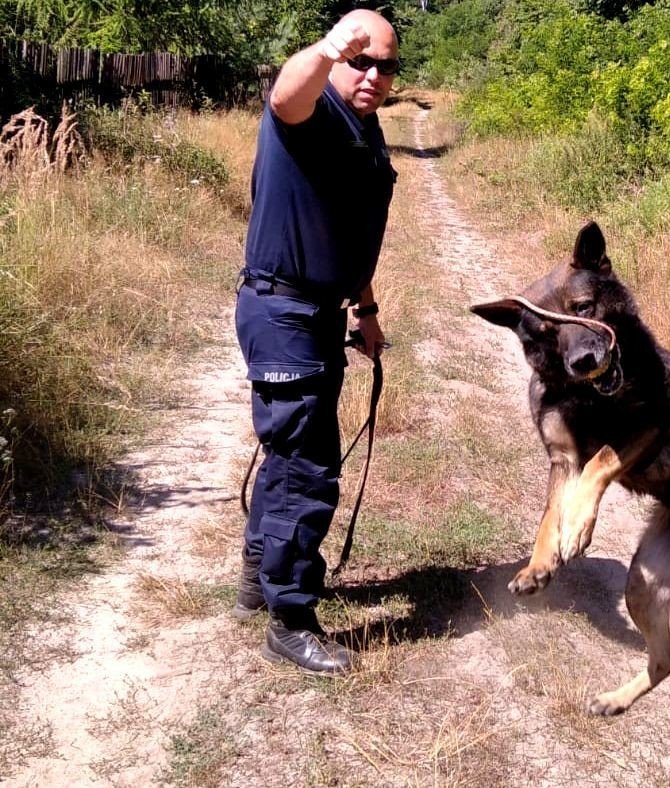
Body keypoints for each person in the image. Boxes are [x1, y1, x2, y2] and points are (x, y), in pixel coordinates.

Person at [231, 9, 399, 674]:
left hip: (321, 312)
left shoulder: (365, 126)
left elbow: (351, 227)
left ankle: (258, 576)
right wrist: (330, 49)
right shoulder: (310, 110)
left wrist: (366, 306)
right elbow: (284, 94)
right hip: (284, 312)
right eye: (363, 60)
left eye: (386, 64)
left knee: (289, 452)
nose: (373, 75)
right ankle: (290, 619)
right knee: (307, 469)